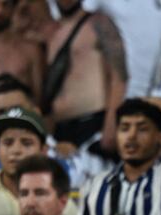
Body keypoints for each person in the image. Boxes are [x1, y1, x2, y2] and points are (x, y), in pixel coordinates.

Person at [42, 0, 127, 146]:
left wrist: (112, 124)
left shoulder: (99, 23)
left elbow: (119, 77)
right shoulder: (50, 32)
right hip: (60, 131)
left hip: (93, 125)